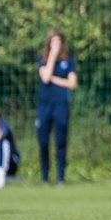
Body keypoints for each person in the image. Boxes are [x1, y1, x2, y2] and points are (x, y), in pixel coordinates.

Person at [36, 29, 77, 185]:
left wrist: (54, 78)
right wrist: (52, 56)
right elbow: (45, 78)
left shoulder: (69, 61)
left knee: (61, 142)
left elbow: (72, 84)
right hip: (45, 106)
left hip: (61, 106)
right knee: (43, 142)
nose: (56, 45)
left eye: (59, 42)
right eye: (53, 42)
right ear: (49, 44)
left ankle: (61, 177)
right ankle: (44, 177)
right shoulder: (42, 60)